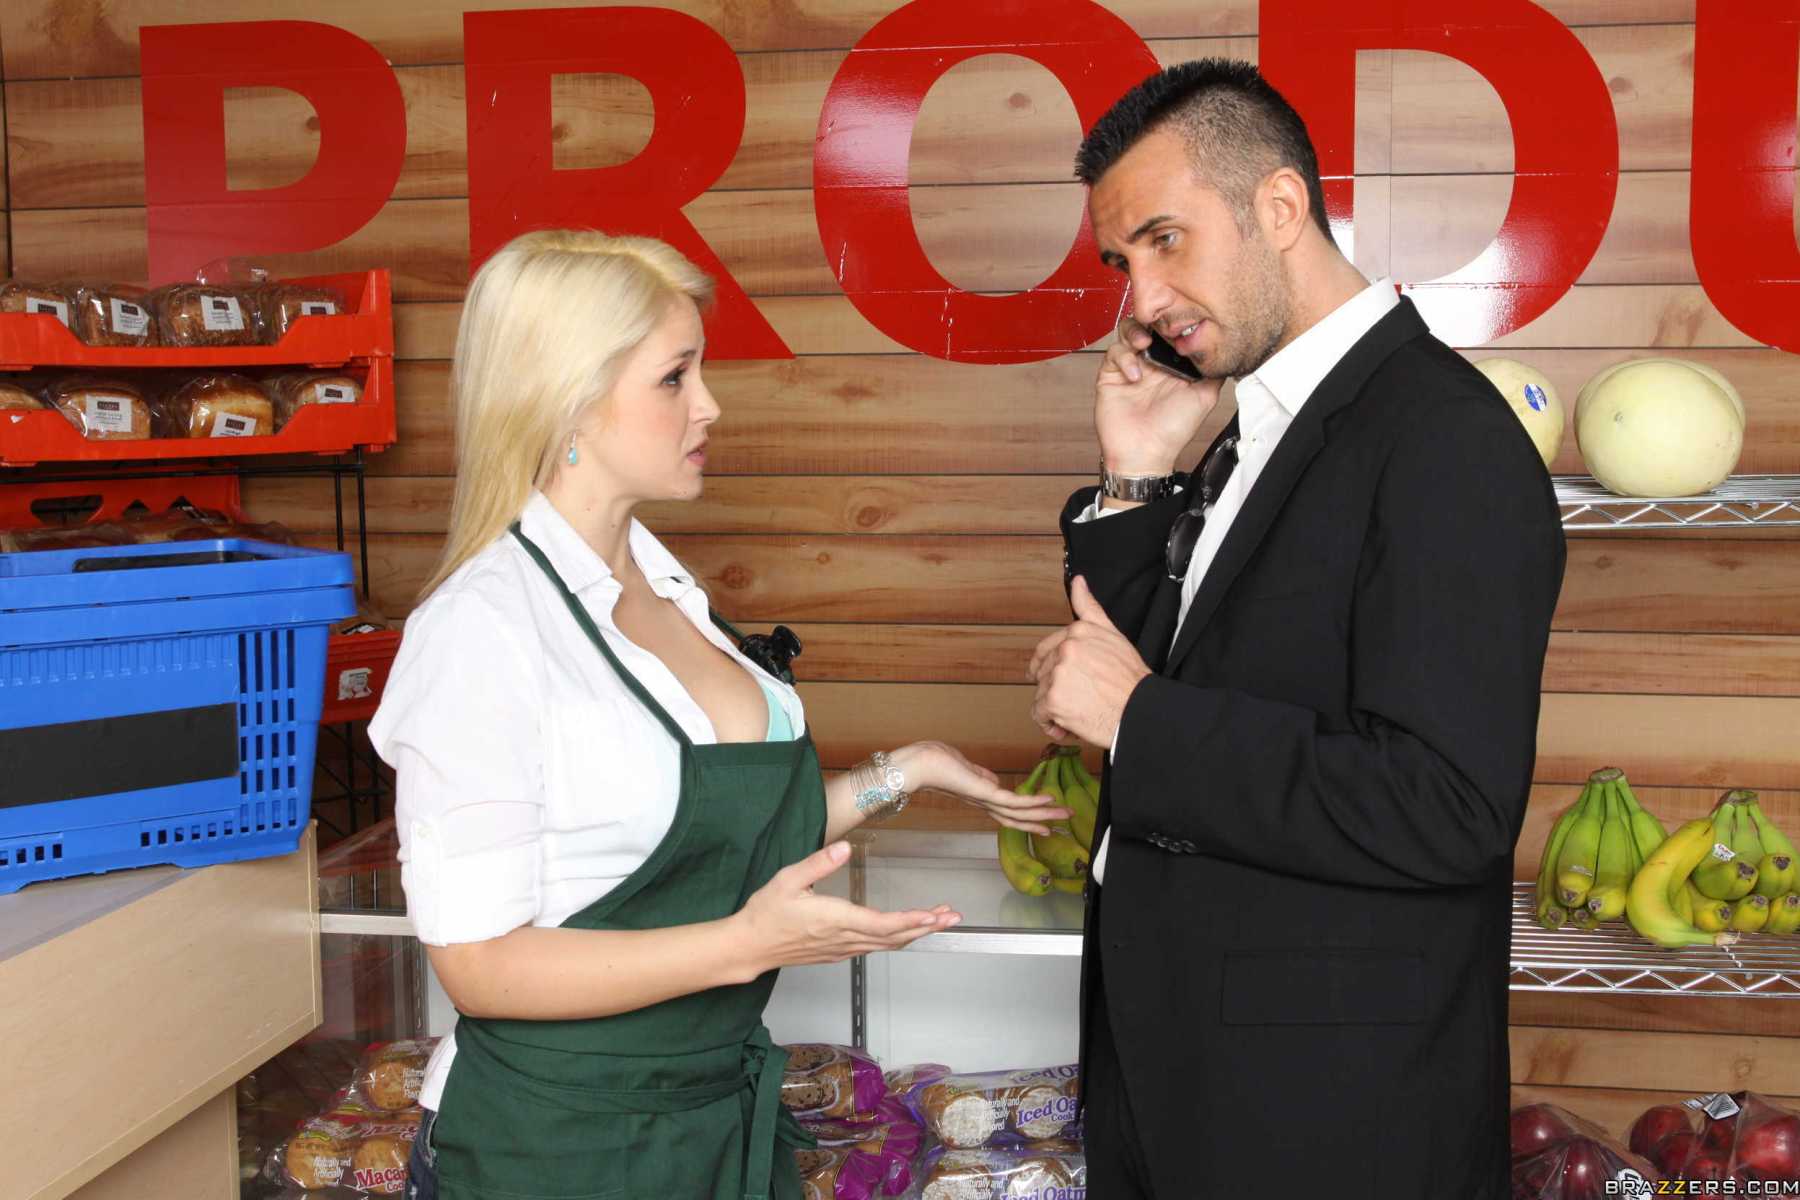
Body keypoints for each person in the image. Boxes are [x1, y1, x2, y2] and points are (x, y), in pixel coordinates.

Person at [369, 230, 1065, 1200]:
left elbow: (722, 838)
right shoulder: (480, 632)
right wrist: (748, 944)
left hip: (709, 1125)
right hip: (554, 1146)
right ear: (570, 399)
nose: (710, 404)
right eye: (675, 377)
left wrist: (905, 772)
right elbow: (479, 966)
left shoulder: (669, 590)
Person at [1026, 60, 1565, 1198]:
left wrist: (1139, 721)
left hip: (1325, 1118)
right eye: (1123, 263)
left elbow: (1449, 807)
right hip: (1184, 1072)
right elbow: (1193, 671)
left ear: (1278, 206)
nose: (1141, 299)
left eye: (1165, 240)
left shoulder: (1443, 438)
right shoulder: (1262, 417)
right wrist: (1135, 477)